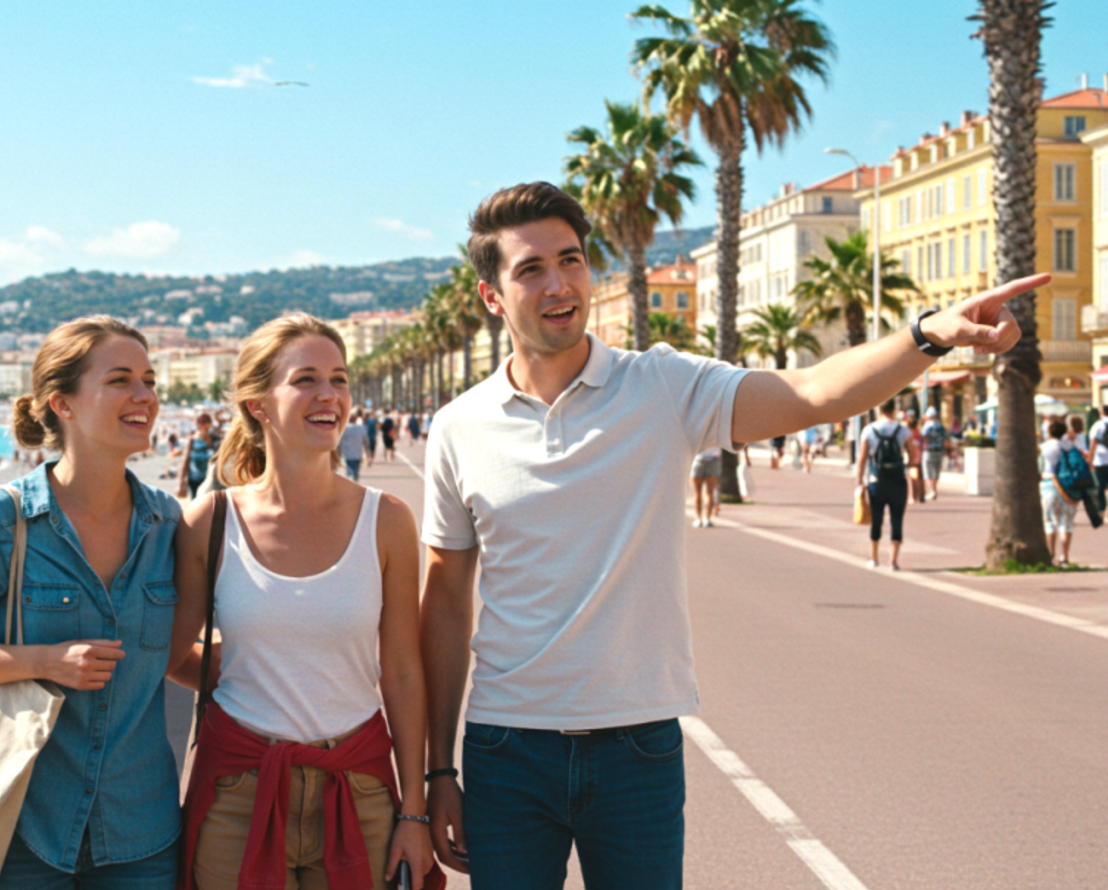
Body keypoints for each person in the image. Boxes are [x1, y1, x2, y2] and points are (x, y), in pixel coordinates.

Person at [418, 182, 1032, 889]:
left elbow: (813, 391)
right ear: (492, 296)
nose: (559, 284)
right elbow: (443, 605)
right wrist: (439, 770)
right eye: (531, 269)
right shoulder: (460, 427)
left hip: (637, 745)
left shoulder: (662, 387)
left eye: (573, 260)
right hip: (506, 748)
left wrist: (927, 334)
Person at [170, 315, 438, 890]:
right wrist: (244, 676)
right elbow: (170, 653)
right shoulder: (209, 523)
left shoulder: (386, 520)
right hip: (238, 790)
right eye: (306, 380)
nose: (330, 396)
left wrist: (414, 811)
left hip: (358, 787)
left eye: (339, 380)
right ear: (258, 405)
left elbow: (404, 674)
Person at [0, 316, 187, 888]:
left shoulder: (167, 523)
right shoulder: (4, 519)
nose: (144, 396)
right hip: (23, 825)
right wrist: (45, 661)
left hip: (142, 828)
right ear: (61, 404)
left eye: (149, 380)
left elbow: (179, 654)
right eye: (120, 380)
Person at [857, 400, 913, 570]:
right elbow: (914, 455)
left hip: (876, 481)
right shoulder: (902, 430)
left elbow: (862, 458)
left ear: (879, 409)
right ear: (894, 410)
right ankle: (894, 561)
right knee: (897, 520)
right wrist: (906, 467)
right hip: (898, 482)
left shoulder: (869, 430)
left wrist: (859, 480)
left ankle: (874, 557)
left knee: (876, 519)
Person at [1040, 417, 1080, 567]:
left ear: (1050, 431)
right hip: (1067, 486)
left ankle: (1051, 555)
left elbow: (1041, 466)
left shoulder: (1045, 447)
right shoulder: (1070, 446)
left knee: (1049, 520)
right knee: (1067, 522)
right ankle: (1065, 556)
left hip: (1049, 484)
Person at [177, 412, 219, 500]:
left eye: (206, 421)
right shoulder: (192, 440)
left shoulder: (215, 439)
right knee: (196, 504)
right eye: (201, 421)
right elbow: (186, 460)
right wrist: (181, 480)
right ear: (197, 424)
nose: (204, 424)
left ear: (210, 423)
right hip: (195, 479)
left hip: (211, 479)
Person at [920, 407, 948, 500]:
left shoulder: (927, 426)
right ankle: (934, 489)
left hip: (929, 451)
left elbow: (924, 437)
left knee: (929, 471)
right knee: (936, 471)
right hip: (940, 451)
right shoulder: (940, 426)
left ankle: (933, 491)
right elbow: (945, 439)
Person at [690, 448, 721, 528]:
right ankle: (704, 518)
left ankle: (701, 519)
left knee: (701, 492)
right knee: (706, 492)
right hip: (710, 459)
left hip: (702, 458)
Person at [340, 408, 369, 481]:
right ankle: (354, 479)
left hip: (347, 453)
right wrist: (367, 450)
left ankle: (351, 479)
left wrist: (338, 452)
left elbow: (339, 441)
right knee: (356, 469)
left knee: (349, 469)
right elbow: (365, 440)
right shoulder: (361, 427)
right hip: (357, 453)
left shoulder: (344, 428)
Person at [1089, 412, 1108, 513]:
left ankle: (1102, 509)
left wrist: (1090, 459)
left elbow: (1093, 443)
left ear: (1102, 412)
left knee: (1100, 486)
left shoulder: (1097, 425)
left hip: (1100, 459)